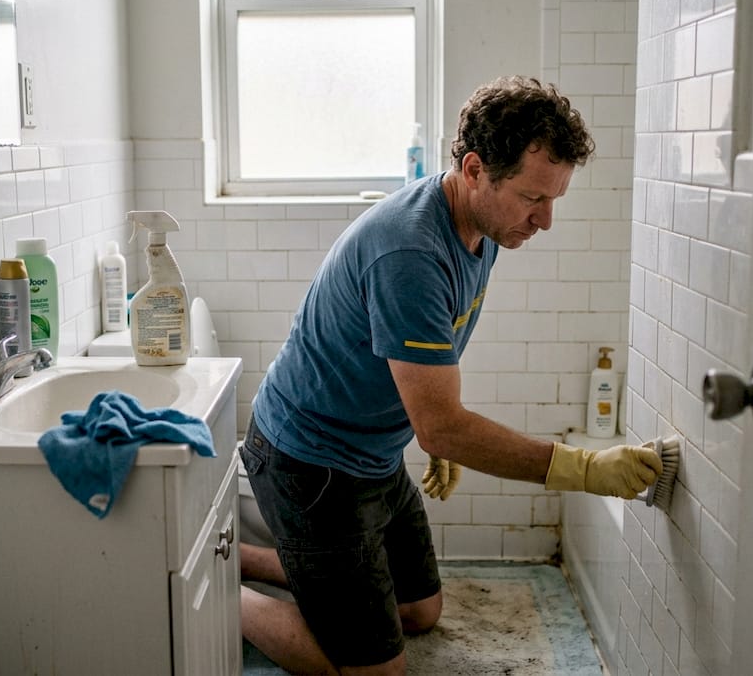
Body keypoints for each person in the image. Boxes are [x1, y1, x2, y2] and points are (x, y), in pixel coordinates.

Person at [239, 75, 662, 675]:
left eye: (554, 199)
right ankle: (222, 597)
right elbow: (439, 424)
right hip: (310, 463)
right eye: (532, 197)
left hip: (372, 452)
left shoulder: (485, 226)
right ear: (474, 169)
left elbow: (432, 353)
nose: (545, 220)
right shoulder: (410, 253)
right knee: (375, 672)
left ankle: (257, 561)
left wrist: (436, 427)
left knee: (420, 611)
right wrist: (582, 469)